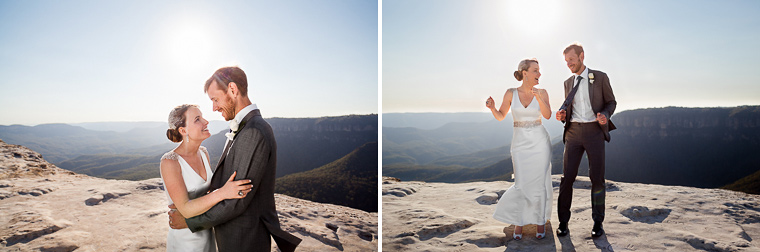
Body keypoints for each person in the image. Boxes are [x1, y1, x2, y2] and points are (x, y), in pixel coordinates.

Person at [167, 67, 302, 251]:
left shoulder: (254, 131)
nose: (214, 108)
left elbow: (238, 198)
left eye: (215, 99)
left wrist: (190, 221)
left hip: (243, 239)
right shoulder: (245, 127)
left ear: (232, 89)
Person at [160, 104, 253, 252]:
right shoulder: (170, 162)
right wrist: (223, 193)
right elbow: (186, 210)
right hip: (185, 241)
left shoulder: (203, 153)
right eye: (197, 119)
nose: (206, 122)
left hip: (207, 232)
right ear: (183, 130)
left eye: (202, 117)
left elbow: (206, 195)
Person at [486, 58, 553, 240]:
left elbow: (547, 115)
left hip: (540, 141)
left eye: (539, 71)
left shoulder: (543, 92)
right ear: (525, 73)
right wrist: (492, 108)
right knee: (521, 183)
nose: (539, 74)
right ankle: (519, 221)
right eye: (535, 70)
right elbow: (501, 116)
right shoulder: (510, 93)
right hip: (519, 143)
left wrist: (539, 98)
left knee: (539, 182)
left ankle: (540, 221)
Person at [555, 43, 617, 238]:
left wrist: (605, 115)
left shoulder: (600, 77)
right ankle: (563, 222)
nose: (569, 64)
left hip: (594, 133)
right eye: (566, 61)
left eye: (571, 60)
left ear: (581, 56)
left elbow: (611, 102)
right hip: (573, 133)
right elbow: (568, 108)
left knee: (597, 178)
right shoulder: (567, 83)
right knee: (567, 179)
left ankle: (598, 223)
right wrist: (562, 115)